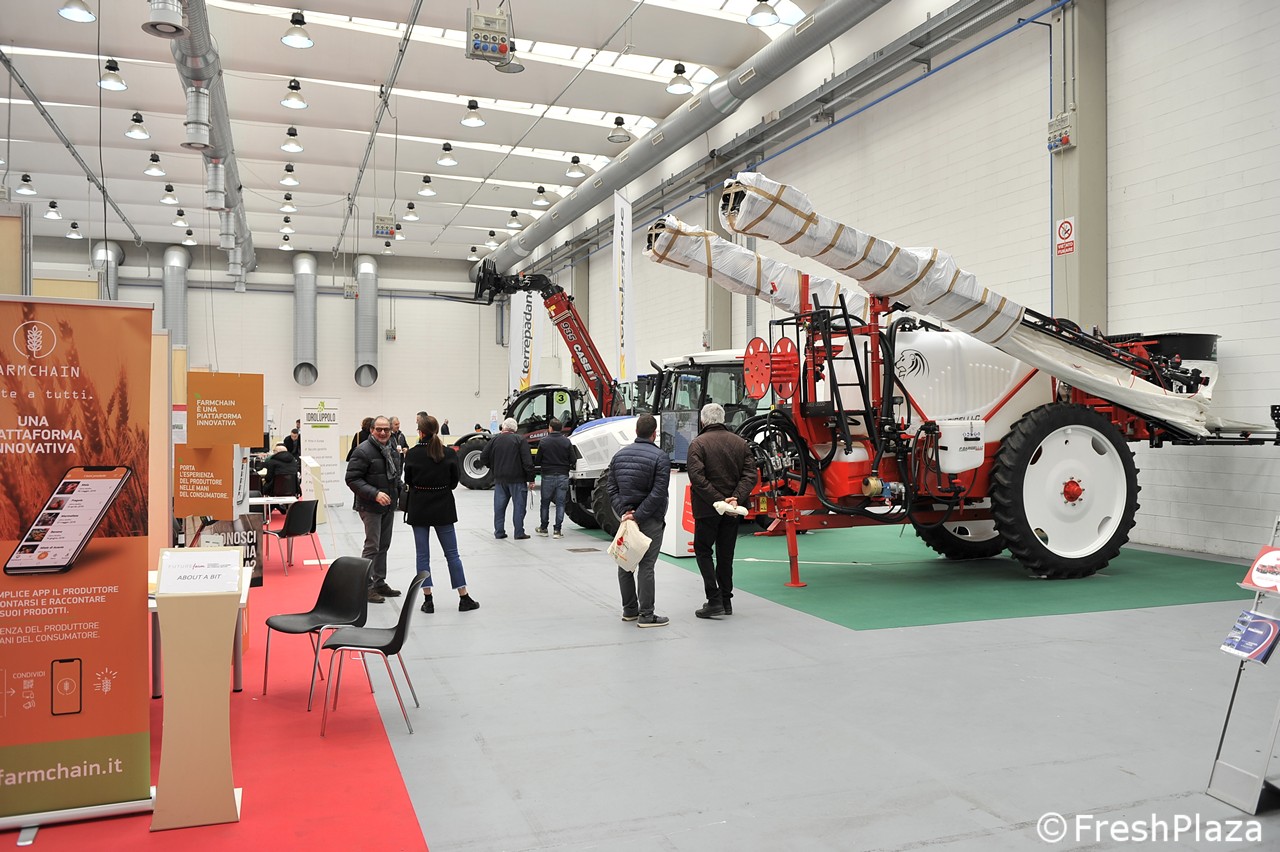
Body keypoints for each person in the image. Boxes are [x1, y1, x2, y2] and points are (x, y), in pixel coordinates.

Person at [686, 403, 756, 618]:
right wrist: (735, 499)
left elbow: (697, 478)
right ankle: (726, 600)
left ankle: (714, 599)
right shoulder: (740, 443)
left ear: (703, 421)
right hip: (733, 510)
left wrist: (719, 502)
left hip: (707, 509)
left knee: (703, 550)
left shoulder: (698, 444)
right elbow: (750, 475)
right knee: (726, 555)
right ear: (723, 419)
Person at [404, 414, 478, 614]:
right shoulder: (448, 453)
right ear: (437, 430)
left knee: (422, 555)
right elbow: (454, 482)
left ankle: (428, 600)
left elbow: (408, 480)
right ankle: (463, 596)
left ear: (420, 432)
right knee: (452, 554)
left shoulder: (412, 454)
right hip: (443, 506)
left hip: (419, 507)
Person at [606, 413, 671, 627]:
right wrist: (639, 515)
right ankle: (646, 615)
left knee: (625, 562)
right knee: (647, 565)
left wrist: (625, 512)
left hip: (626, 520)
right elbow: (658, 492)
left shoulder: (619, 456)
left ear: (636, 431)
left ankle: (630, 610)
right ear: (654, 433)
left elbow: (611, 488)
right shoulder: (661, 457)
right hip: (650, 519)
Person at [345, 416, 404, 603]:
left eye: (386, 429)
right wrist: (375, 494)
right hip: (370, 505)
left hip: (388, 505)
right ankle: (366, 586)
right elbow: (352, 479)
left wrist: (402, 491)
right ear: (371, 430)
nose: (383, 432)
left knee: (383, 545)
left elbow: (395, 476)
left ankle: (379, 582)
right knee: (372, 546)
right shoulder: (362, 451)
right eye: (379, 429)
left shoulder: (392, 449)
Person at [480, 417, 533, 540]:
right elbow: (527, 461)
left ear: (503, 427)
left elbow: (483, 457)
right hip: (517, 479)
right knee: (519, 507)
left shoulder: (494, 440)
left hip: (500, 479)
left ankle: (499, 532)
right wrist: (531, 478)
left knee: (499, 508)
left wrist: (493, 467)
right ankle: (519, 532)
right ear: (515, 429)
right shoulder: (520, 440)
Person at [535, 418, 574, 539]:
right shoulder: (567, 441)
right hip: (563, 475)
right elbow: (573, 459)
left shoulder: (544, 441)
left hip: (547, 475)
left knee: (545, 502)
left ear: (550, 428)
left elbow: (537, 460)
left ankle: (543, 528)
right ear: (561, 428)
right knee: (560, 503)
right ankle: (557, 530)